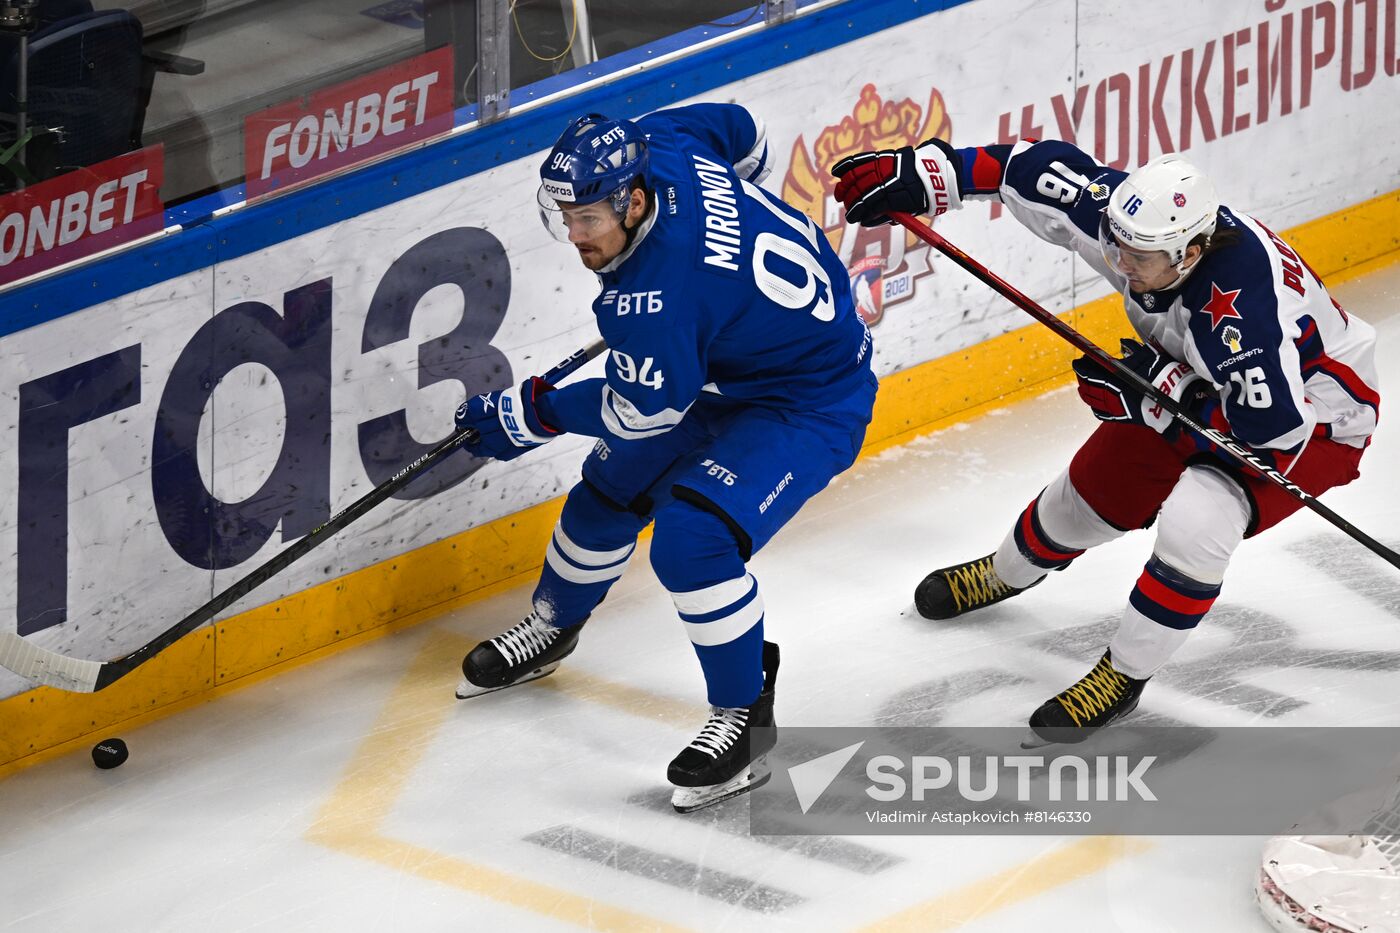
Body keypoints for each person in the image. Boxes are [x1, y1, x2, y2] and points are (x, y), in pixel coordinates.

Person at [831, 137, 1378, 745]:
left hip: (1314, 422)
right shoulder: (1141, 232)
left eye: (1137, 255)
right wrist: (929, 173)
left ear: (1191, 252)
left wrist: (1159, 398)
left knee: (1196, 523)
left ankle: (1122, 678)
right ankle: (1007, 573)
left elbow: (1269, 436)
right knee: (1085, 497)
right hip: (1200, 383)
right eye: (1116, 242)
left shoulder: (1242, 317)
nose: (1119, 261)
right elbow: (1034, 170)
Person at [453, 105, 876, 811]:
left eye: (588, 219)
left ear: (635, 198)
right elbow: (747, 129)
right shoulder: (663, 143)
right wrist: (729, 263)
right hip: (723, 364)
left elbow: (637, 409)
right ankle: (555, 625)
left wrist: (528, 413)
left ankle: (743, 717)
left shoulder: (658, 300)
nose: (573, 234)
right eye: (565, 215)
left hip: (809, 397)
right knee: (607, 494)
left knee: (693, 541)